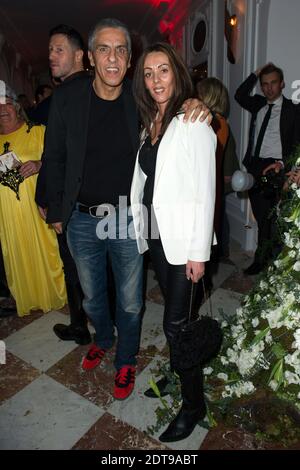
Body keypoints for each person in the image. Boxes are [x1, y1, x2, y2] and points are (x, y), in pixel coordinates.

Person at [42, 18, 211, 401]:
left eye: (121, 50)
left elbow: (178, 112)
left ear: (129, 58)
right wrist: (55, 209)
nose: (113, 58)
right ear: (90, 57)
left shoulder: (140, 101)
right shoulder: (68, 98)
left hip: (126, 216)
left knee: (132, 300)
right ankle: (102, 338)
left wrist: (196, 102)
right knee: (91, 297)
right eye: (104, 48)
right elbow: (54, 155)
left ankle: (127, 360)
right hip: (82, 217)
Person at [131, 43, 216, 442]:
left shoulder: (192, 118)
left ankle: (194, 404)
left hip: (183, 243)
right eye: (148, 74)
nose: (155, 81)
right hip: (158, 237)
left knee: (176, 326)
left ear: (177, 72)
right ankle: (176, 374)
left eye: (163, 71)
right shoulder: (152, 119)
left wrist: (199, 254)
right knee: (174, 319)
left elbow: (205, 190)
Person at [35, 24, 91, 345]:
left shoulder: (66, 94)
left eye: (59, 50)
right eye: (50, 51)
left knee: (73, 267)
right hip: (98, 201)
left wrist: (50, 202)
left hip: (69, 203)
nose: (51, 56)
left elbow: (55, 155)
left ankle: (79, 326)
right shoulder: (101, 88)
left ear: (79, 55)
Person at [0, 85, 66, 316]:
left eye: (7, 103)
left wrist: (39, 165)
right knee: (16, 255)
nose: (2, 109)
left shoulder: (37, 131)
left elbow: (60, 161)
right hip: (7, 214)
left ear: (17, 108)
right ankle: (27, 298)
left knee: (45, 251)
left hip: (36, 207)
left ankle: (53, 295)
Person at [235, 63, 300, 275]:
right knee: (262, 215)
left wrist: (283, 165)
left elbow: (297, 144)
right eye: (265, 85)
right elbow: (239, 94)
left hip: (278, 167)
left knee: (275, 217)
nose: (269, 88)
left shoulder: (293, 110)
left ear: (282, 84)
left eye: (273, 83)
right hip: (256, 166)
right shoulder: (259, 104)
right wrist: (255, 73)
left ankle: (267, 260)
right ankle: (266, 259)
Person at [197, 77, 229, 249]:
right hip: (211, 180)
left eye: (199, 93)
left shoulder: (216, 123)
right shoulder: (218, 121)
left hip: (208, 182)